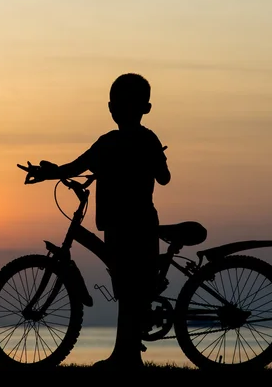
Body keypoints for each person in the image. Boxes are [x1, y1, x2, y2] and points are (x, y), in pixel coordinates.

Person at [25, 73, 171, 368]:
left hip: (128, 224)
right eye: (115, 103)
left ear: (143, 107)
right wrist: (156, 158)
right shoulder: (145, 140)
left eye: (120, 103)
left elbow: (75, 166)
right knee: (127, 288)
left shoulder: (111, 143)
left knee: (129, 288)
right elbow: (164, 178)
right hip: (133, 222)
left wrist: (49, 173)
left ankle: (126, 357)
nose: (116, 108)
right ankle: (126, 356)